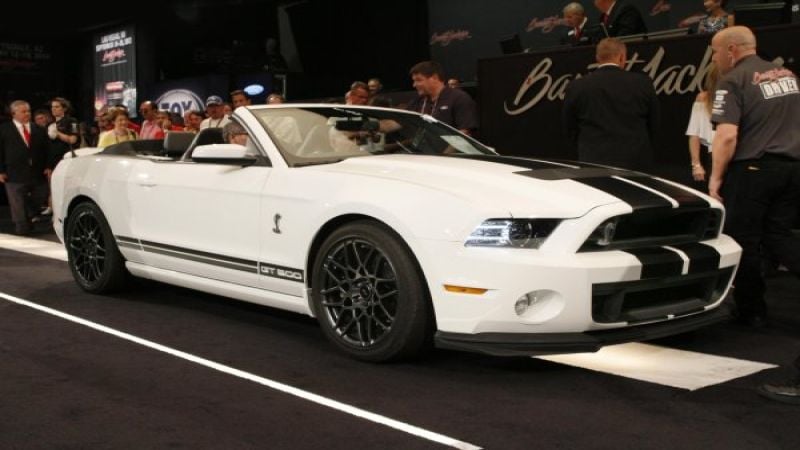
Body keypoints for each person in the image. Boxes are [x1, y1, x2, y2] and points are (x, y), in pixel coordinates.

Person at [705, 26, 800, 402]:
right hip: (792, 168)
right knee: (778, 237)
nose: (713, 59)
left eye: (714, 52)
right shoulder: (788, 76)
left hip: (755, 169)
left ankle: (752, 311)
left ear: (730, 50)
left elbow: (727, 135)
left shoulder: (733, 80)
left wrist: (715, 179)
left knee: (743, 239)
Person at [562, 37, 659, 171]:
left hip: (593, 161)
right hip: (635, 162)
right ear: (622, 57)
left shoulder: (577, 86)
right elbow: (654, 123)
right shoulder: (642, 83)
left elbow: (569, 126)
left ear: (597, 58)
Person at [0, 100, 52, 235]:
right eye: (23, 111)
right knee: (16, 200)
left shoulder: (38, 129)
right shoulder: (4, 130)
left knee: (40, 195)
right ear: (14, 113)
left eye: (28, 111)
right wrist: (1, 171)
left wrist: (48, 166)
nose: (27, 114)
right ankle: (21, 226)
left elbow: (47, 150)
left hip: (37, 171)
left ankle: (30, 213)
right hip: (13, 172)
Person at [406, 61, 479, 136]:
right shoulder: (418, 100)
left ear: (434, 78)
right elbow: (400, 121)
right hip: (423, 146)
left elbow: (465, 133)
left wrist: (446, 148)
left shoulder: (459, 98)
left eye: (418, 80)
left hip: (448, 147)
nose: (414, 85)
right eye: (414, 81)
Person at [685, 64, 720, 183]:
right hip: (717, 155)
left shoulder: (742, 95)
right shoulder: (704, 98)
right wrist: (696, 165)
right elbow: (694, 132)